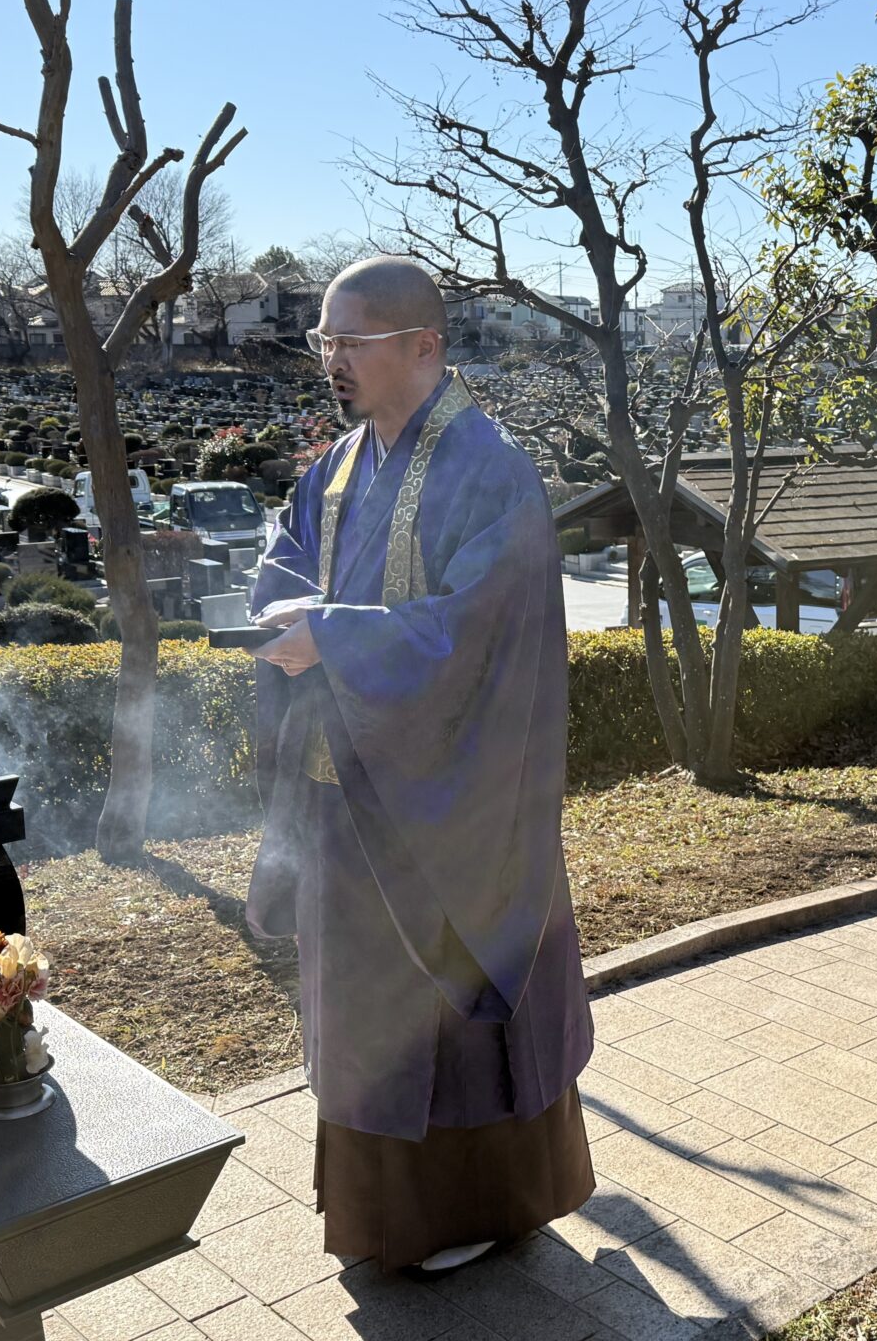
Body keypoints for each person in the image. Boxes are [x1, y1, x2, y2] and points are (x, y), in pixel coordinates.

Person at [248, 256, 595, 1274]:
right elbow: (289, 552)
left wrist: (337, 638)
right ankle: (385, 1219)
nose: (333, 361)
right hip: (340, 790)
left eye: (351, 341)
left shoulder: (490, 470)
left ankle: (473, 1209)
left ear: (423, 347)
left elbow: (483, 630)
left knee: (444, 1009)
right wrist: (285, 611)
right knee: (360, 1015)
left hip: (450, 805)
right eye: (325, 341)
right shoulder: (341, 466)